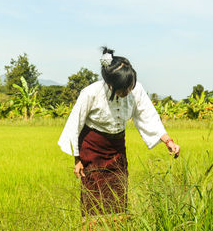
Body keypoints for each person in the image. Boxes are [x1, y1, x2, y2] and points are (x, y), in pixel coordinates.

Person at [58, 47, 180, 220]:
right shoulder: (91, 93)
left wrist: (168, 141)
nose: (128, 92)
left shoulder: (135, 89)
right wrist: (77, 160)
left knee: (118, 192)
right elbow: (74, 125)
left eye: (130, 86)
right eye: (124, 89)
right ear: (110, 84)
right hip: (92, 147)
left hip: (117, 149)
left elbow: (148, 115)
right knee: (94, 195)